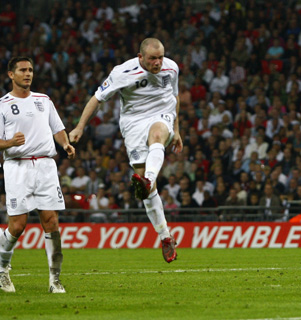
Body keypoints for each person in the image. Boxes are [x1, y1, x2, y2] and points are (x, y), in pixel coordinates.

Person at [69, 38, 182, 263]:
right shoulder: (122, 72)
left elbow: (174, 97)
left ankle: (148, 178)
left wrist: (176, 130)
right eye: (152, 58)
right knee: (148, 192)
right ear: (140, 57)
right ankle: (165, 236)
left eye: (160, 57)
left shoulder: (172, 67)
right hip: (133, 123)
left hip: (162, 115)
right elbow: (97, 99)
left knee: (158, 135)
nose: (158, 62)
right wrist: (80, 126)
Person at [0, 56, 76, 293]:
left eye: (31, 70)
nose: (28, 74)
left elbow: (58, 128)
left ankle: (55, 280)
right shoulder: (2, 104)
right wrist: (10, 142)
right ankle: (2, 269)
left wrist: (65, 145)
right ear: (11, 75)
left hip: (45, 166)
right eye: (22, 70)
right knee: (18, 225)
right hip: (17, 166)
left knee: (51, 221)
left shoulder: (44, 100)